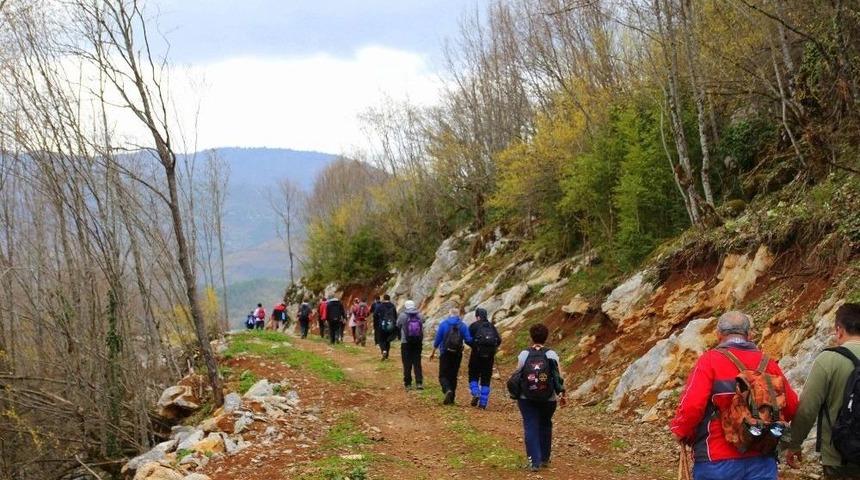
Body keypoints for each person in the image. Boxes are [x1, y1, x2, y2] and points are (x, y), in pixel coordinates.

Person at [670, 311, 798, 480]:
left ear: (718, 335)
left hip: (716, 459)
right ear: (750, 335)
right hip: (762, 458)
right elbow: (792, 406)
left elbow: (692, 406)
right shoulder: (769, 364)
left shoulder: (709, 362)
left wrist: (680, 430)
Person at [785, 303, 860, 479]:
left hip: (839, 457)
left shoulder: (829, 360)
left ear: (839, 330)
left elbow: (807, 409)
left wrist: (795, 444)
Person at [514, 323, 566, 472]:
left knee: (530, 425)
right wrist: (562, 394)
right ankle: (544, 458)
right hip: (548, 398)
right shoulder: (552, 355)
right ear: (546, 337)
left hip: (526, 397)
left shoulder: (524, 354)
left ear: (531, 337)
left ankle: (534, 462)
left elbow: (517, 374)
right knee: (545, 424)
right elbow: (559, 377)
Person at [430, 308, 473, 405]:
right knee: (453, 376)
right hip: (457, 354)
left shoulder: (444, 324)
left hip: (445, 353)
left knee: (443, 375)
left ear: (450, 314)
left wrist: (433, 352)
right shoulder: (463, 325)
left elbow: (437, 339)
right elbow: (468, 340)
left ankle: (447, 390)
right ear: (458, 315)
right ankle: (452, 399)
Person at [468, 307, 501, 409]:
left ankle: (475, 392)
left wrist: (474, 346)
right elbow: (498, 340)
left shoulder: (473, 326)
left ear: (477, 316)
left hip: (476, 356)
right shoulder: (492, 327)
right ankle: (483, 404)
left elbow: (467, 339)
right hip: (489, 358)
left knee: (473, 375)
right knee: (486, 379)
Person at [397, 300, 424, 390]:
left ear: (405, 306)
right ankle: (419, 383)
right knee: (417, 362)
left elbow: (398, 325)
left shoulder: (402, 315)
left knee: (407, 363)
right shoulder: (419, 314)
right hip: (418, 342)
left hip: (406, 342)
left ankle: (408, 384)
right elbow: (423, 322)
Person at [374, 295, 398, 360]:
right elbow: (395, 316)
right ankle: (387, 356)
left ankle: (383, 350)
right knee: (388, 340)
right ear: (389, 299)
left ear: (383, 299)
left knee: (381, 339)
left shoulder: (380, 306)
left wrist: (378, 322)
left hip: (382, 325)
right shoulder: (392, 306)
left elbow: (375, 315)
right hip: (390, 325)